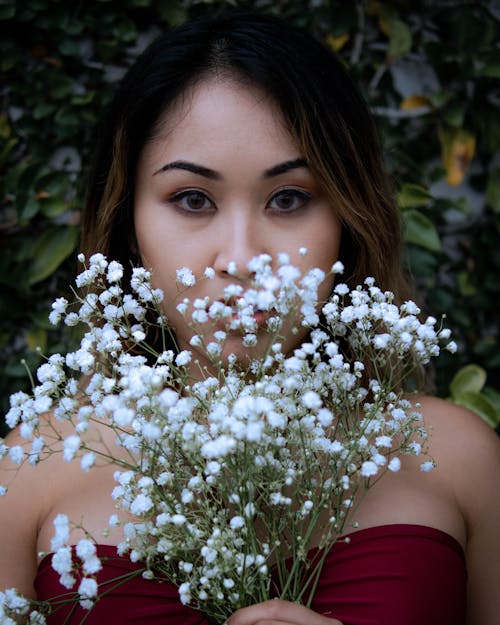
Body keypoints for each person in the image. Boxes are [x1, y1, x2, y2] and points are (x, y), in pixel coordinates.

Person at [1, 9, 499, 625]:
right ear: (129, 227)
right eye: (192, 200)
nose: (241, 259)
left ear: (347, 217)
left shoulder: (459, 459)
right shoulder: (27, 473)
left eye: (288, 199)